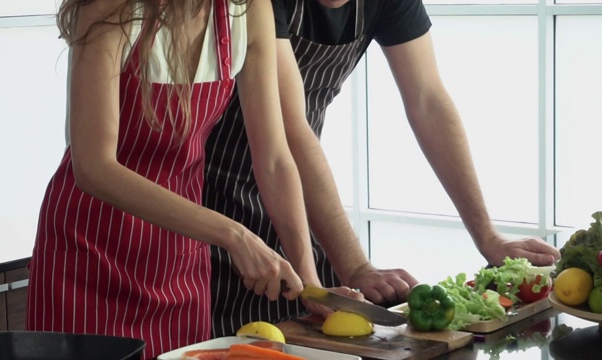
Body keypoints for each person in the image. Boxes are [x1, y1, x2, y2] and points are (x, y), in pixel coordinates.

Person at [204, 0, 562, 338]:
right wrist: (357, 266)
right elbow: (290, 131)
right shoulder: (260, 4)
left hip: (300, 194)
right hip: (212, 200)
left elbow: (428, 101)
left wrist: (488, 237)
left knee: (323, 327)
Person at [25, 0, 318, 358]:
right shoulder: (108, 8)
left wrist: (312, 287)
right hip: (88, 262)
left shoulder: (247, 10)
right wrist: (232, 234)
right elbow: (93, 167)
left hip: (177, 267)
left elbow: (273, 161)